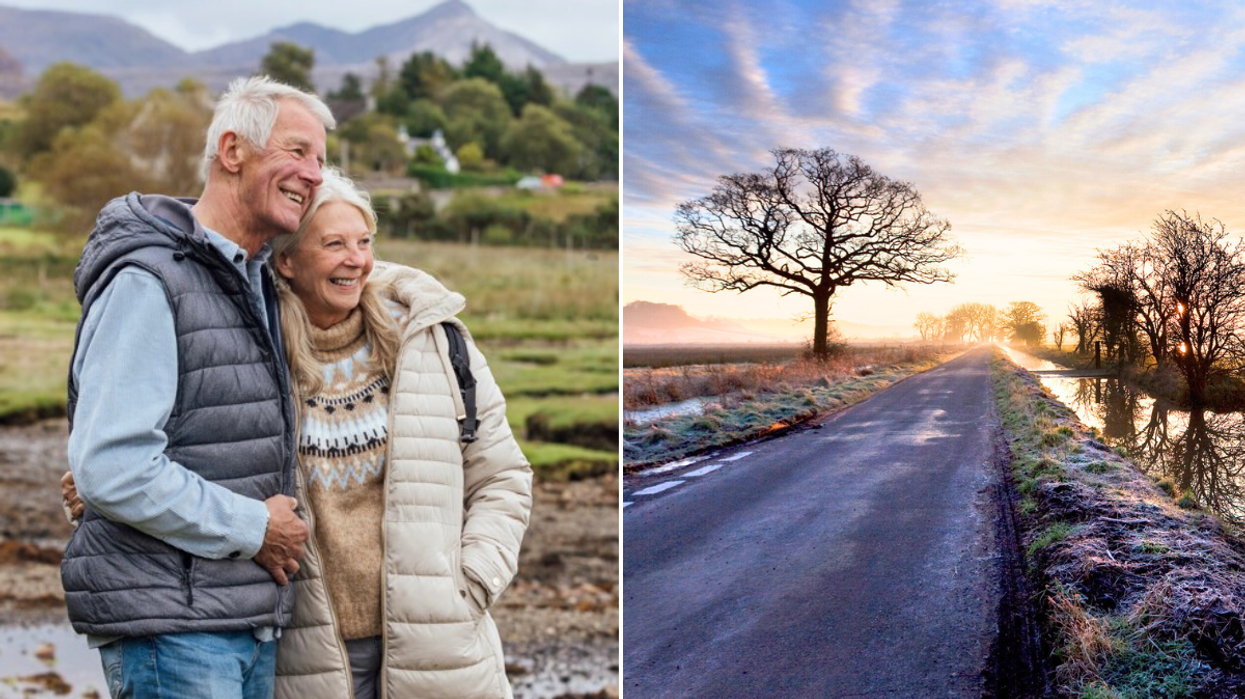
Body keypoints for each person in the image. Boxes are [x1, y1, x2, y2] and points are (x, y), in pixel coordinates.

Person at [61, 75, 334, 698]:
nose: (314, 174)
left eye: (321, 160)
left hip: (234, 620)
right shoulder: (151, 279)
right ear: (233, 152)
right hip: (175, 631)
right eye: (297, 151)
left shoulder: (250, 277)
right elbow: (114, 467)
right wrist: (254, 527)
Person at [267, 168, 532, 699]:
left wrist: (471, 583)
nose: (356, 259)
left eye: (363, 242)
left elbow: (502, 474)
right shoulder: (254, 351)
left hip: (439, 643)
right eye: (334, 243)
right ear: (286, 261)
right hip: (303, 655)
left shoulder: (430, 340)